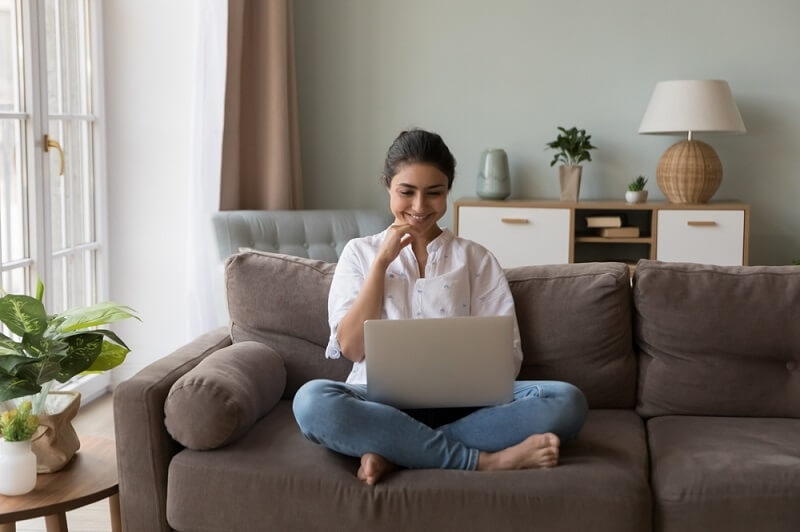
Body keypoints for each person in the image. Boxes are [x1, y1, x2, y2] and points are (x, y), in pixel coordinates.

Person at [292, 128, 587, 485]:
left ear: (448, 191)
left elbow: (507, 358)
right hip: (376, 401)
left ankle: (396, 450)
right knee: (311, 402)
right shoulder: (359, 253)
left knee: (565, 400)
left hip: (468, 404)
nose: (419, 207)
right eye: (406, 192)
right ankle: (482, 461)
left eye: (434, 193)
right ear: (387, 185)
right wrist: (381, 264)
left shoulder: (476, 259)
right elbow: (352, 348)